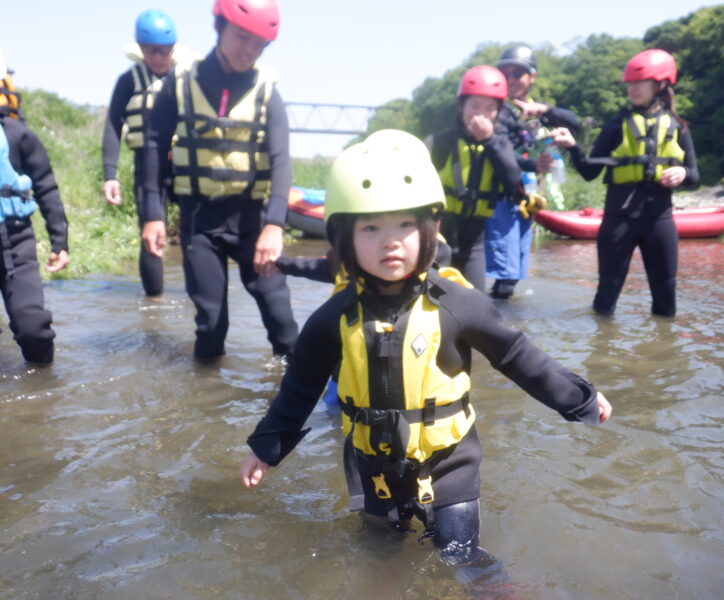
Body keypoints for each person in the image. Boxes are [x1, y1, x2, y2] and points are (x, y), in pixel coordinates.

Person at [239, 129, 612, 566]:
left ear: (429, 229)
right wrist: (265, 448)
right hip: (373, 467)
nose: (390, 240)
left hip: (449, 462)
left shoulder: (459, 304)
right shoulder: (334, 317)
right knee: (380, 559)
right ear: (343, 237)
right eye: (371, 227)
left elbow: (519, 358)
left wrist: (581, 399)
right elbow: (299, 387)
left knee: (461, 557)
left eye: (405, 224)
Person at [140, 0, 298, 360]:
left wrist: (275, 224)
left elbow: (280, 161)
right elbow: (153, 146)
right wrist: (153, 214)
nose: (249, 50)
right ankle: (207, 406)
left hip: (254, 221)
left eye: (259, 43)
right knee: (211, 324)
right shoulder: (180, 84)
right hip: (200, 221)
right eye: (242, 36)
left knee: (282, 320)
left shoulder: (267, 91)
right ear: (219, 27)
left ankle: (300, 400)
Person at [551, 48, 699, 317]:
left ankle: (663, 356)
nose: (632, 88)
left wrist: (683, 175)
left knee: (666, 300)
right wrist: (572, 147)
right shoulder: (617, 124)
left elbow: (694, 175)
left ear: (660, 84)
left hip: (659, 220)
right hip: (619, 220)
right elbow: (588, 171)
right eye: (629, 83)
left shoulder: (678, 126)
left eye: (639, 82)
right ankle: (602, 353)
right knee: (606, 298)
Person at [486, 44, 583, 299]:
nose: (510, 79)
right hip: (500, 197)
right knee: (504, 275)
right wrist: (533, 164)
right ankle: (494, 328)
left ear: (532, 77)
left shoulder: (535, 110)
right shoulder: (495, 110)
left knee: (515, 273)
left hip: (525, 199)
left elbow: (576, 124)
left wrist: (547, 111)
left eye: (517, 74)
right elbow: (499, 151)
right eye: (505, 73)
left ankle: (503, 321)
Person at [103, 10, 179, 297]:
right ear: (140, 48)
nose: (159, 58)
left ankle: (203, 301)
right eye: (152, 51)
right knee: (150, 232)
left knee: (199, 233)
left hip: (184, 163)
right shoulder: (129, 80)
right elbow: (113, 126)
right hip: (148, 166)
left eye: (165, 51)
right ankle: (154, 302)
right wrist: (110, 174)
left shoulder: (186, 79)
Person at [426, 65, 521, 293]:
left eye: (490, 108)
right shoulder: (440, 142)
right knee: (433, 303)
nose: (481, 114)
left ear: (498, 112)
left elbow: (514, 183)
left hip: (474, 242)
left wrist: (489, 141)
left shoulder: (500, 146)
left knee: (475, 304)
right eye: (475, 106)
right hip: (439, 235)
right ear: (461, 107)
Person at [0, 109, 69, 363]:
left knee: (33, 329)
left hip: (14, 241)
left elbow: (45, 185)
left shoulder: (16, 134)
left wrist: (60, 241)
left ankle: (44, 386)